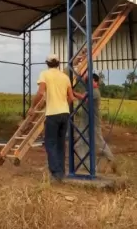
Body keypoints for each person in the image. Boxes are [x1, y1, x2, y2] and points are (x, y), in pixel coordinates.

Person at [28, 53, 85, 182]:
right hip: (64, 114)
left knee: (50, 143)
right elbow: (71, 98)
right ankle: (61, 171)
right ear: (58, 64)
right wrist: (64, 105)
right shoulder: (65, 77)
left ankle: (55, 173)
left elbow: (41, 92)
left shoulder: (45, 74)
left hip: (52, 114)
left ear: (47, 63)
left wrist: (32, 107)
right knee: (60, 144)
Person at [74, 72, 116, 172]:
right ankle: (86, 164)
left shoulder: (95, 92)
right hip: (85, 121)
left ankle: (111, 159)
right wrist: (80, 75)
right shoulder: (89, 90)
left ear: (96, 82)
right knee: (79, 143)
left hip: (93, 122)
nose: (88, 82)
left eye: (90, 80)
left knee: (98, 141)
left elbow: (84, 98)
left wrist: (72, 92)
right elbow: (83, 82)